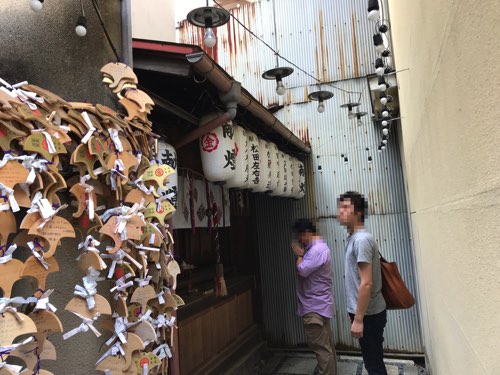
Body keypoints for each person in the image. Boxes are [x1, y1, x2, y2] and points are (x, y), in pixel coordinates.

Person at [337, 192, 388, 375]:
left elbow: (366, 283)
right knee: (372, 360)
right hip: (365, 312)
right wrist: (353, 311)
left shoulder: (361, 240)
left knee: (374, 365)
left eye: (345, 208)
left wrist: (359, 319)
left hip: (370, 315)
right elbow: (355, 279)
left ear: (358, 212)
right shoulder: (353, 238)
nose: (339, 212)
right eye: (339, 208)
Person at [291, 218, 337, 375]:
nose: (298, 241)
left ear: (306, 233)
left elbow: (302, 270)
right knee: (327, 349)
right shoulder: (319, 247)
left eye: (299, 236)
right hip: (320, 305)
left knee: (322, 351)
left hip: (314, 308)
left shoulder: (316, 250)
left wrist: (298, 255)